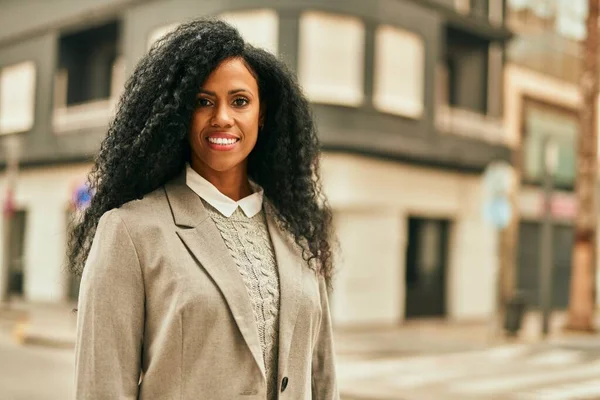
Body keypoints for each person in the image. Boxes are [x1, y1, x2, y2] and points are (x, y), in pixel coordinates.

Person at [68, 18, 338, 400]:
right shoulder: (129, 231)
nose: (222, 117)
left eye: (240, 101)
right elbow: (102, 387)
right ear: (180, 114)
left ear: (261, 115)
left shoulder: (298, 231)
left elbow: (324, 379)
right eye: (203, 102)